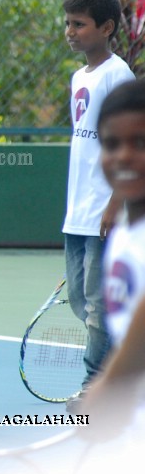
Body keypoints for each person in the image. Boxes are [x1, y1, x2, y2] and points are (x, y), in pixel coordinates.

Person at [59, 0, 135, 409]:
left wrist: (114, 202)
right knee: (80, 299)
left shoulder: (117, 75)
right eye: (68, 23)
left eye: (79, 24)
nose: (70, 31)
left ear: (106, 28)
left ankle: (96, 388)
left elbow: (129, 142)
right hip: (77, 211)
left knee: (96, 305)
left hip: (105, 212)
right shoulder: (79, 77)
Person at [80, 79, 145, 438]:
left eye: (141, 143)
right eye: (112, 144)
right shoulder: (122, 237)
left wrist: (110, 383)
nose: (123, 156)